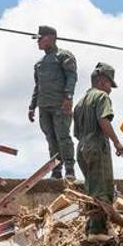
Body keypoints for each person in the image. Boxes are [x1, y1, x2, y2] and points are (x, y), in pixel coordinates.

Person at [73, 62, 123, 235]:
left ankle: (91, 227)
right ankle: (98, 231)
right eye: (110, 85)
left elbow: (76, 133)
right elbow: (104, 120)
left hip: (82, 147)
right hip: (97, 145)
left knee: (91, 188)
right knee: (102, 189)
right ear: (102, 81)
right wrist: (116, 141)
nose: (110, 89)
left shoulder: (79, 103)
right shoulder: (101, 97)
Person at [28, 25, 78, 180]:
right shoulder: (39, 63)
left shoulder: (64, 56)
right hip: (44, 106)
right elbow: (38, 86)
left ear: (50, 38)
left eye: (40, 39)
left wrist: (68, 97)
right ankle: (56, 170)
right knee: (51, 138)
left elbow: (72, 77)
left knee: (63, 137)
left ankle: (69, 169)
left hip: (60, 104)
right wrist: (32, 106)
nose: (38, 42)